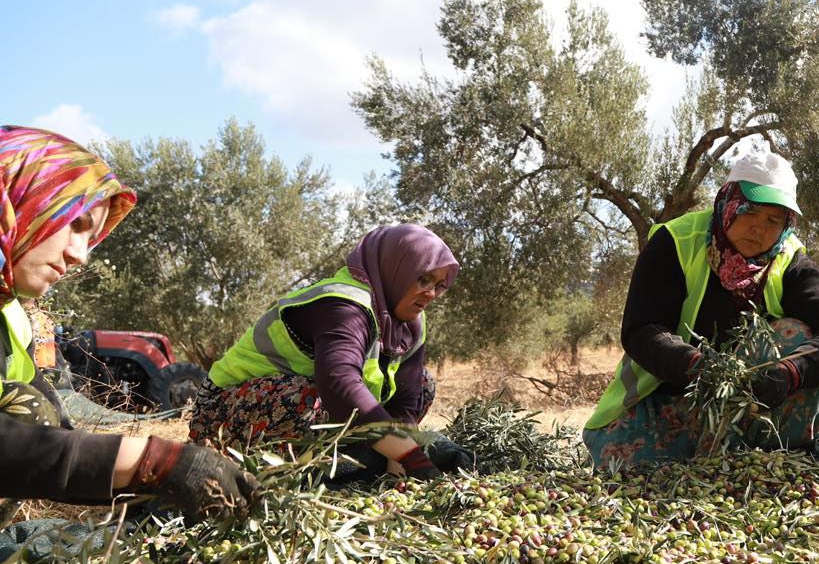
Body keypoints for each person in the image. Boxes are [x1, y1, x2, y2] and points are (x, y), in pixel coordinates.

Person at [0, 126, 258, 522]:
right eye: (76, 223)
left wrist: (141, 488)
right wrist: (154, 461)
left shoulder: (12, 317)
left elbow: (51, 438)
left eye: (93, 238)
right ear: (21, 197)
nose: (80, 256)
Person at [584, 150, 819, 468]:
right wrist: (699, 367)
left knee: (795, 335)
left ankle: (775, 456)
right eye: (748, 212)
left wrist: (789, 373)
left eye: (773, 220)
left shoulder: (789, 259)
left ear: (787, 224)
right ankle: (721, 454)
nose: (758, 229)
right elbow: (642, 330)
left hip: (748, 412)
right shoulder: (675, 242)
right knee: (630, 469)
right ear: (727, 202)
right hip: (664, 403)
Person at [190, 224, 474, 480]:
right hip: (226, 412)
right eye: (423, 280)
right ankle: (293, 471)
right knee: (306, 397)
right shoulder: (343, 305)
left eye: (439, 286)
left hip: (317, 418)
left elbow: (407, 397)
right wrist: (413, 458)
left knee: (423, 382)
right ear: (394, 269)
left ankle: (357, 455)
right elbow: (340, 386)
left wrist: (397, 460)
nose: (431, 294)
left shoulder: (411, 323)